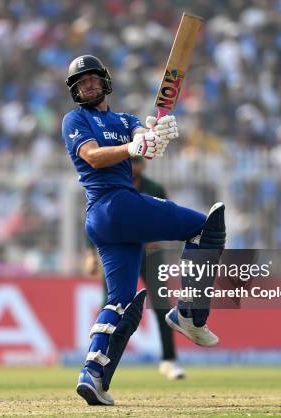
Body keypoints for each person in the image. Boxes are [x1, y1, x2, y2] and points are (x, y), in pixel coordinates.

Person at [62, 55, 225, 406]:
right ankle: (189, 314)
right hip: (112, 204)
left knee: (119, 300)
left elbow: (142, 140)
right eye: (80, 84)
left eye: (92, 80)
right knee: (207, 227)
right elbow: (92, 156)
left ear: (105, 81)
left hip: (113, 221)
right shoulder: (75, 119)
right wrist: (131, 147)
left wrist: (154, 137)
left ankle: (93, 375)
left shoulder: (125, 119)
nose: (87, 86)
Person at [85, 156, 185, 380]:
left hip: (149, 254)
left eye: (138, 162)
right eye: (131, 162)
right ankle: (95, 360)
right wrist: (90, 252)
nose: (134, 167)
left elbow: (165, 216)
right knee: (110, 306)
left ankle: (169, 360)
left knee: (161, 305)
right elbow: (95, 216)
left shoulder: (153, 187)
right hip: (118, 251)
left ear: (143, 165)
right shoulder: (109, 184)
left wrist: (155, 234)